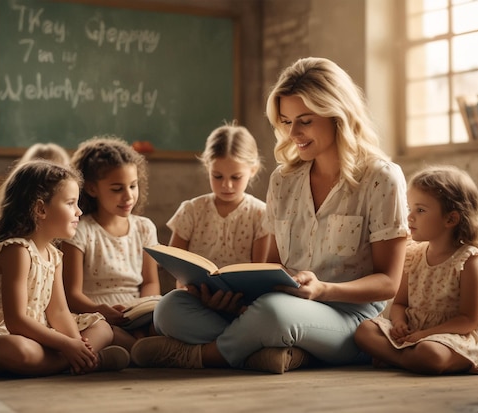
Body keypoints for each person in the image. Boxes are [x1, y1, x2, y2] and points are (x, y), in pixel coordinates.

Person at [130, 56, 409, 374]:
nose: (293, 134)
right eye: (287, 122)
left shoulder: (381, 177)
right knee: (169, 308)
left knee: (273, 314)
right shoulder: (284, 179)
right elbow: (274, 265)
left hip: (350, 318)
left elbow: (388, 282)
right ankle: (272, 352)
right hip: (283, 307)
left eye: (304, 121)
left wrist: (324, 289)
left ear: (337, 115)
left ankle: (205, 356)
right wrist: (230, 297)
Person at [0, 160, 130, 377]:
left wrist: (77, 345)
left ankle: (78, 361)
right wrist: (66, 346)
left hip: (31, 329)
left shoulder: (54, 255)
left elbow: (59, 312)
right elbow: (16, 321)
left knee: (102, 328)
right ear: (40, 209)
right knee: (21, 352)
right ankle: (83, 362)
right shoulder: (17, 251)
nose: (79, 211)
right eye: (70, 203)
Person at [354, 165, 478, 374]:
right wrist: (399, 323)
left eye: (420, 210)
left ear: (450, 219)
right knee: (364, 330)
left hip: (454, 336)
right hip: (415, 332)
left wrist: (425, 335)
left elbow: (468, 320)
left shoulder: (469, 261)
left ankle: (401, 358)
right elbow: (400, 303)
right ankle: (409, 359)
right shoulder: (413, 255)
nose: (409, 217)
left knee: (431, 354)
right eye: (409, 208)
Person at [62, 136, 160, 351]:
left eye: (133, 186)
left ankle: (133, 349)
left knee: (168, 319)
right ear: (91, 189)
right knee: (106, 332)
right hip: (96, 314)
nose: (128, 197)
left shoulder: (144, 227)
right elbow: (71, 294)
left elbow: (150, 282)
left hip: (134, 313)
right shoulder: (80, 230)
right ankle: (131, 350)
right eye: (117, 189)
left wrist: (145, 309)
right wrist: (101, 310)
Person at [167, 122, 268, 289]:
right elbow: (175, 266)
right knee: (166, 306)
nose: (226, 185)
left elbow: (258, 271)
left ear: (253, 170)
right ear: (207, 167)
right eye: (217, 176)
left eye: (236, 177)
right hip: (194, 293)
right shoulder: (191, 210)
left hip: (241, 296)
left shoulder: (260, 214)